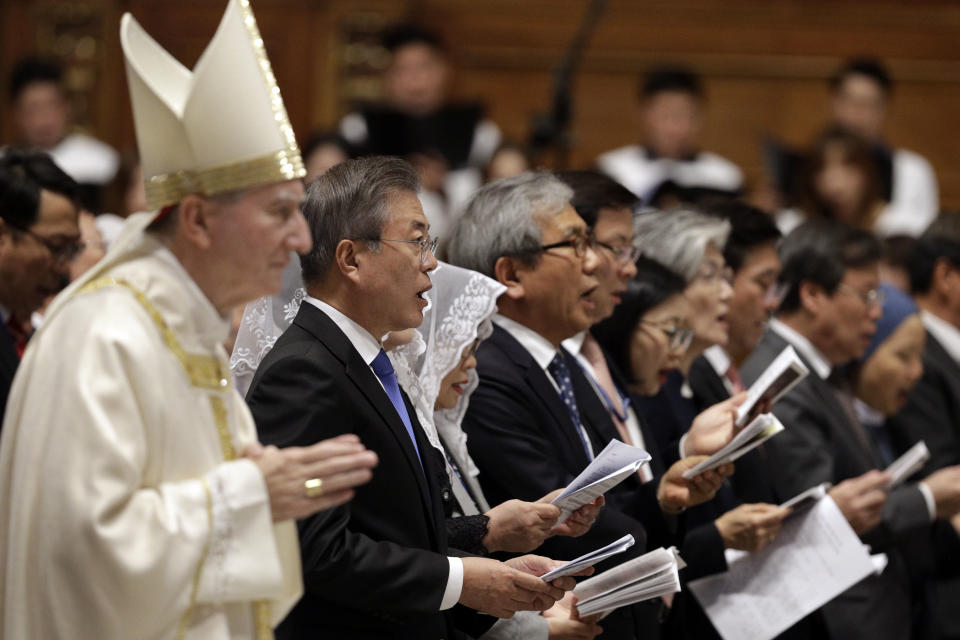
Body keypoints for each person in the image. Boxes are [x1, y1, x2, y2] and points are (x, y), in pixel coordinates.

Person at [0, 2, 382, 637]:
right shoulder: (105, 334)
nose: (297, 238)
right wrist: (253, 494)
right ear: (199, 220)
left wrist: (269, 492)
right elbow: (83, 547)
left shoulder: (190, 331)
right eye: (280, 211)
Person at [246, 157, 574, 640]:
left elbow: (397, 530)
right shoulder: (303, 371)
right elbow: (314, 551)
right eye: (417, 241)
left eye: (431, 242)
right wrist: (461, 580)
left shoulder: (371, 361)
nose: (432, 262)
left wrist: (487, 561)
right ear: (351, 259)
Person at [449, 172, 734, 640]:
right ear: (512, 275)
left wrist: (664, 494)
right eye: (576, 246)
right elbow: (564, 518)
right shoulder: (485, 371)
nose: (596, 265)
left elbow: (603, 499)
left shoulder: (564, 360)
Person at [390, 260, 604, 640]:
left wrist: (531, 525)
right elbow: (410, 552)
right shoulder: (407, 431)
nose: (472, 365)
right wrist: (540, 629)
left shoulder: (442, 429)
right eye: (462, 348)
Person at [739, 219, 929, 639]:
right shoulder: (779, 377)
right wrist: (930, 497)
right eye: (866, 295)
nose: (876, 312)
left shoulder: (823, 370)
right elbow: (814, 510)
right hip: (828, 617)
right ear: (812, 294)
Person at [847, 283, 960, 640]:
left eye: (920, 359)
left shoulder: (895, 425)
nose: (916, 372)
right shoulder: (845, 430)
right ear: (864, 352)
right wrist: (927, 498)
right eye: (902, 356)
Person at [339, 23, 501, 234]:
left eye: (424, 67)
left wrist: (443, 187)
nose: (415, 81)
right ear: (387, 77)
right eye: (403, 70)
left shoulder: (479, 132)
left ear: (444, 70)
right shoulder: (358, 130)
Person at [0, 149, 81, 423]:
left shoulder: (32, 329)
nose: (65, 267)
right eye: (57, 247)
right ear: (3, 237)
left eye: (73, 250)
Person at [596, 67, 743, 204]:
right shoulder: (610, 170)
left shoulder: (725, 176)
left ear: (700, 117)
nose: (675, 128)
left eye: (685, 115)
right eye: (665, 115)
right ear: (644, 114)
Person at [829, 58, 939, 235]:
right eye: (849, 101)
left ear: (884, 109)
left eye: (866, 104)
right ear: (834, 103)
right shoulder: (813, 166)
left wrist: (880, 217)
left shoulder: (913, 169)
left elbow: (930, 235)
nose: (855, 114)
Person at [8, 57, 120, 211]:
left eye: (52, 105)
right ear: (17, 114)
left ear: (68, 107)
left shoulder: (101, 159)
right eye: (34, 108)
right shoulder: (5, 164)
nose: (44, 119)